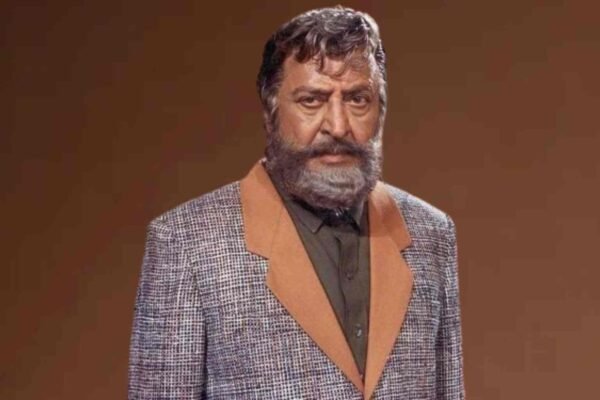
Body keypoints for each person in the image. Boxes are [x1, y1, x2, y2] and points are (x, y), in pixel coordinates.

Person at [128, 6, 464, 400]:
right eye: (312, 100)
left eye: (357, 99)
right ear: (270, 112)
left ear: (381, 109)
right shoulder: (187, 243)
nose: (338, 126)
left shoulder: (432, 234)